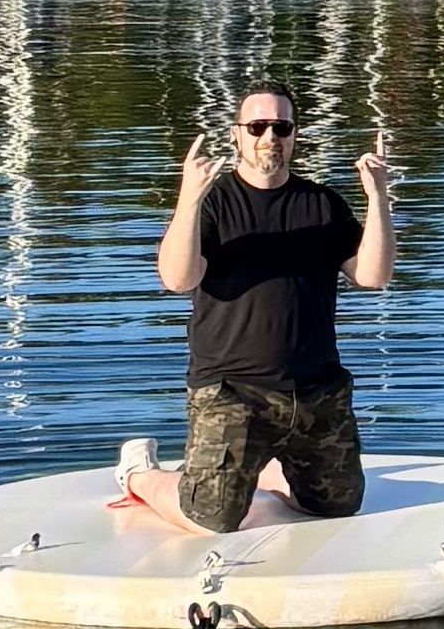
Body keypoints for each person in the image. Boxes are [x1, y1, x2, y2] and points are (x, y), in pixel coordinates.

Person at [113, 80, 394, 534]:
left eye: (281, 127)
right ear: (237, 134)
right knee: (211, 519)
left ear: (295, 134)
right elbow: (177, 279)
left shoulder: (322, 204)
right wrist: (189, 197)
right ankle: (139, 474)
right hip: (232, 391)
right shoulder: (212, 203)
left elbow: (373, 276)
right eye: (258, 126)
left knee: (337, 509)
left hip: (317, 390)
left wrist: (378, 197)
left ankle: (262, 466)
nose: (270, 137)